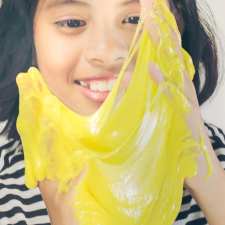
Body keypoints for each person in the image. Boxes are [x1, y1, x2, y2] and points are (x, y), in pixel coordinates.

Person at [0, 0, 224, 224]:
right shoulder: (6, 192)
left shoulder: (214, 155)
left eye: (134, 20)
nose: (107, 54)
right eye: (72, 22)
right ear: (28, 34)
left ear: (177, 28)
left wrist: (207, 179)